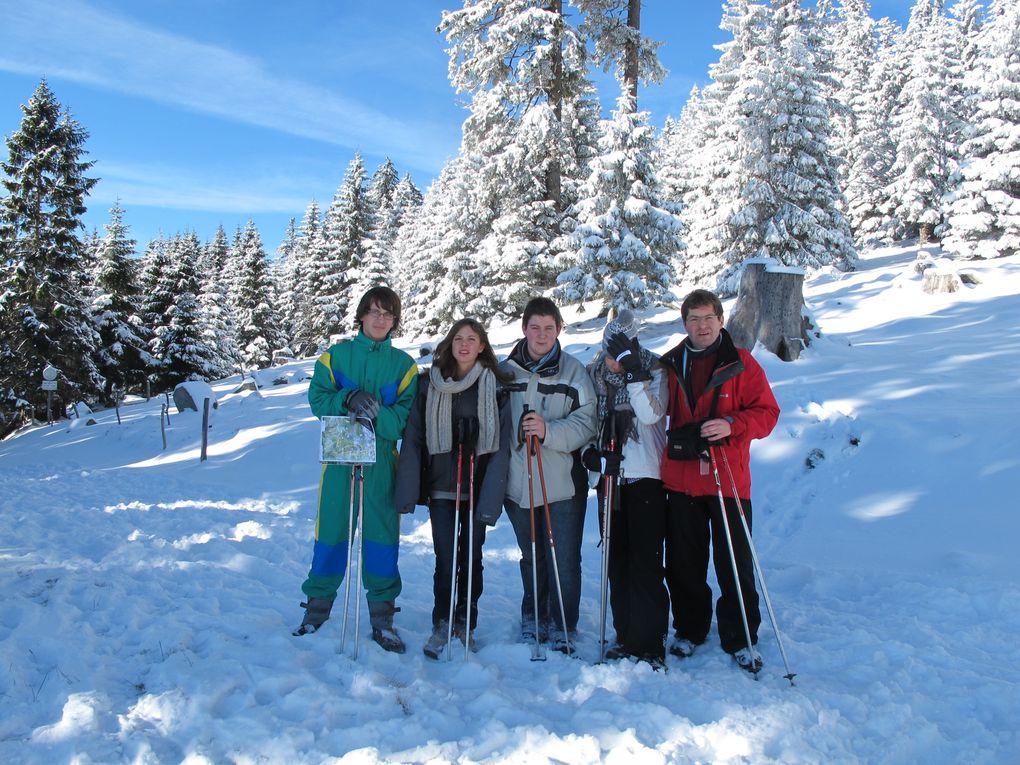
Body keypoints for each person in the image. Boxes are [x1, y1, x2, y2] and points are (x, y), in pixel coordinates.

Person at [658, 289, 780, 673]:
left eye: (708, 317)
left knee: (734, 564)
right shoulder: (671, 363)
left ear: (721, 320)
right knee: (683, 564)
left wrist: (732, 423)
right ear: (685, 324)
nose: (702, 326)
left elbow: (768, 413)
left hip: (727, 478)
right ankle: (690, 630)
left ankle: (741, 635)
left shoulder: (742, 364)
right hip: (681, 480)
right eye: (694, 319)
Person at [293, 286, 419, 654]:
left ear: (395, 320)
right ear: (362, 315)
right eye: (374, 311)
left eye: (388, 313)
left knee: (381, 538)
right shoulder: (335, 357)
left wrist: (379, 414)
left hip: (382, 463)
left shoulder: (404, 366)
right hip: (338, 460)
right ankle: (316, 611)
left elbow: (405, 420)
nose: (381, 319)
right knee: (331, 533)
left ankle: (383, 619)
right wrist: (345, 398)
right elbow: (317, 400)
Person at [394, 318, 512, 660]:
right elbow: (414, 435)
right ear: (450, 343)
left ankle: (466, 622)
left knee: (472, 557)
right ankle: (442, 621)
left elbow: (502, 444)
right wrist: (409, 487)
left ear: (482, 346)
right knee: (446, 558)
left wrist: (492, 493)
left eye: (471, 339)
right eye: (458, 338)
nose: (464, 344)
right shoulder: (430, 383)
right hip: (441, 486)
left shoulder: (495, 385)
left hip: (476, 483)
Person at [500, 297, 597, 653]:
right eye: (535, 327)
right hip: (518, 483)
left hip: (562, 484)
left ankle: (563, 622)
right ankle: (534, 614)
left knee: (564, 557)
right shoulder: (504, 372)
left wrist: (548, 431)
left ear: (559, 330)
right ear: (524, 329)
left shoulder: (574, 372)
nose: (542, 335)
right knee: (531, 555)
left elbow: (588, 423)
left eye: (549, 328)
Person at [586, 309, 669, 666]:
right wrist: (592, 455)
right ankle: (624, 634)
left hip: (646, 476)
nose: (612, 360)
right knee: (616, 562)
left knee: (646, 563)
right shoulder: (594, 373)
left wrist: (635, 373)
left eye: (619, 352)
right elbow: (589, 419)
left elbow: (652, 414)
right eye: (609, 351)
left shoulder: (655, 369)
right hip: (610, 479)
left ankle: (649, 641)